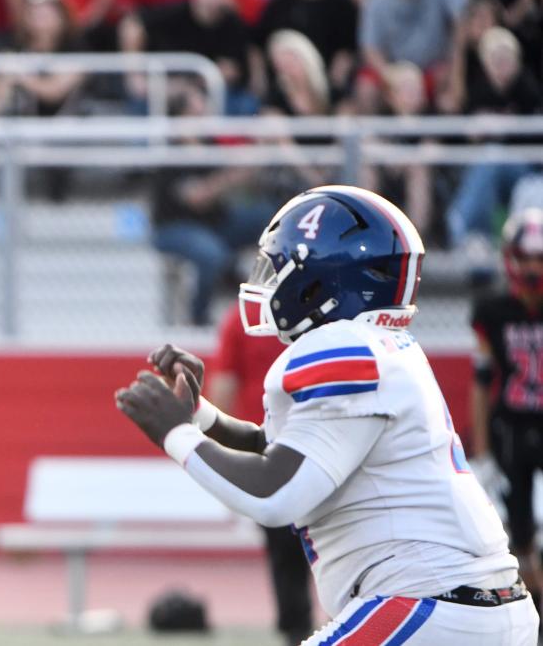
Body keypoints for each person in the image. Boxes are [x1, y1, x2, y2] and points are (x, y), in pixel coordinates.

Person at [115, 185, 540, 644]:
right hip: (471, 605)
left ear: (317, 282)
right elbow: (283, 449)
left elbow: (274, 494)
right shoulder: (382, 346)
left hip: (430, 602)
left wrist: (175, 435)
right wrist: (198, 414)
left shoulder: (342, 348)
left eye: (278, 268)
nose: (270, 282)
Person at [207, 304, 313, 645]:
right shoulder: (329, 315)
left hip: (268, 450)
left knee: (284, 552)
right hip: (323, 442)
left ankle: (296, 632)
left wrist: (222, 460)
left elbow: (224, 386)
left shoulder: (241, 317)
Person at [470, 207, 543, 622]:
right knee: (518, 535)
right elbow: (481, 381)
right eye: (526, 257)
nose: (533, 268)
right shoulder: (493, 311)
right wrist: (480, 451)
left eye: (540, 258)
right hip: (512, 428)